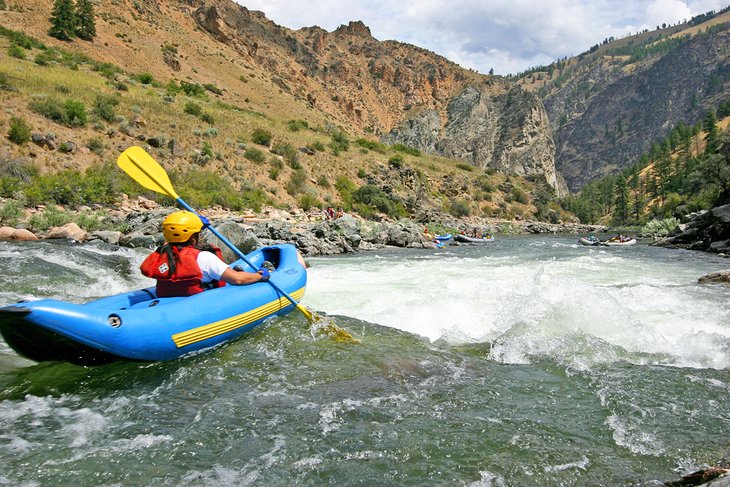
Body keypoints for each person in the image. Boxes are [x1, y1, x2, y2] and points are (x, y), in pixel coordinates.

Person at [140, 211, 270, 298]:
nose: (200, 236)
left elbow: (171, 241)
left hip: (167, 300)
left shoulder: (160, 254)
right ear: (192, 238)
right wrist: (259, 276)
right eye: (198, 233)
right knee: (236, 274)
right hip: (199, 303)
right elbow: (237, 279)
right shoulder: (204, 257)